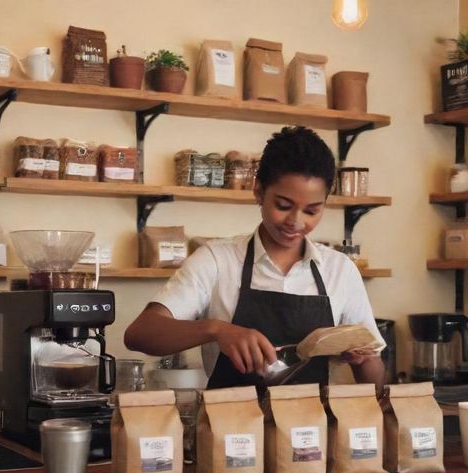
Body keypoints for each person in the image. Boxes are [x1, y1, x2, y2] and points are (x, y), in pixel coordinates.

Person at [124, 126, 385, 391]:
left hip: (311, 430)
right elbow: (140, 334)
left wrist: (362, 361)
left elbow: (375, 382)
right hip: (233, 427)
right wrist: (217, 330)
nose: (296, 222)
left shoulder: (339, 270)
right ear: (258, 190)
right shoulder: (217, 260)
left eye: (312, 211)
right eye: (283, 206)